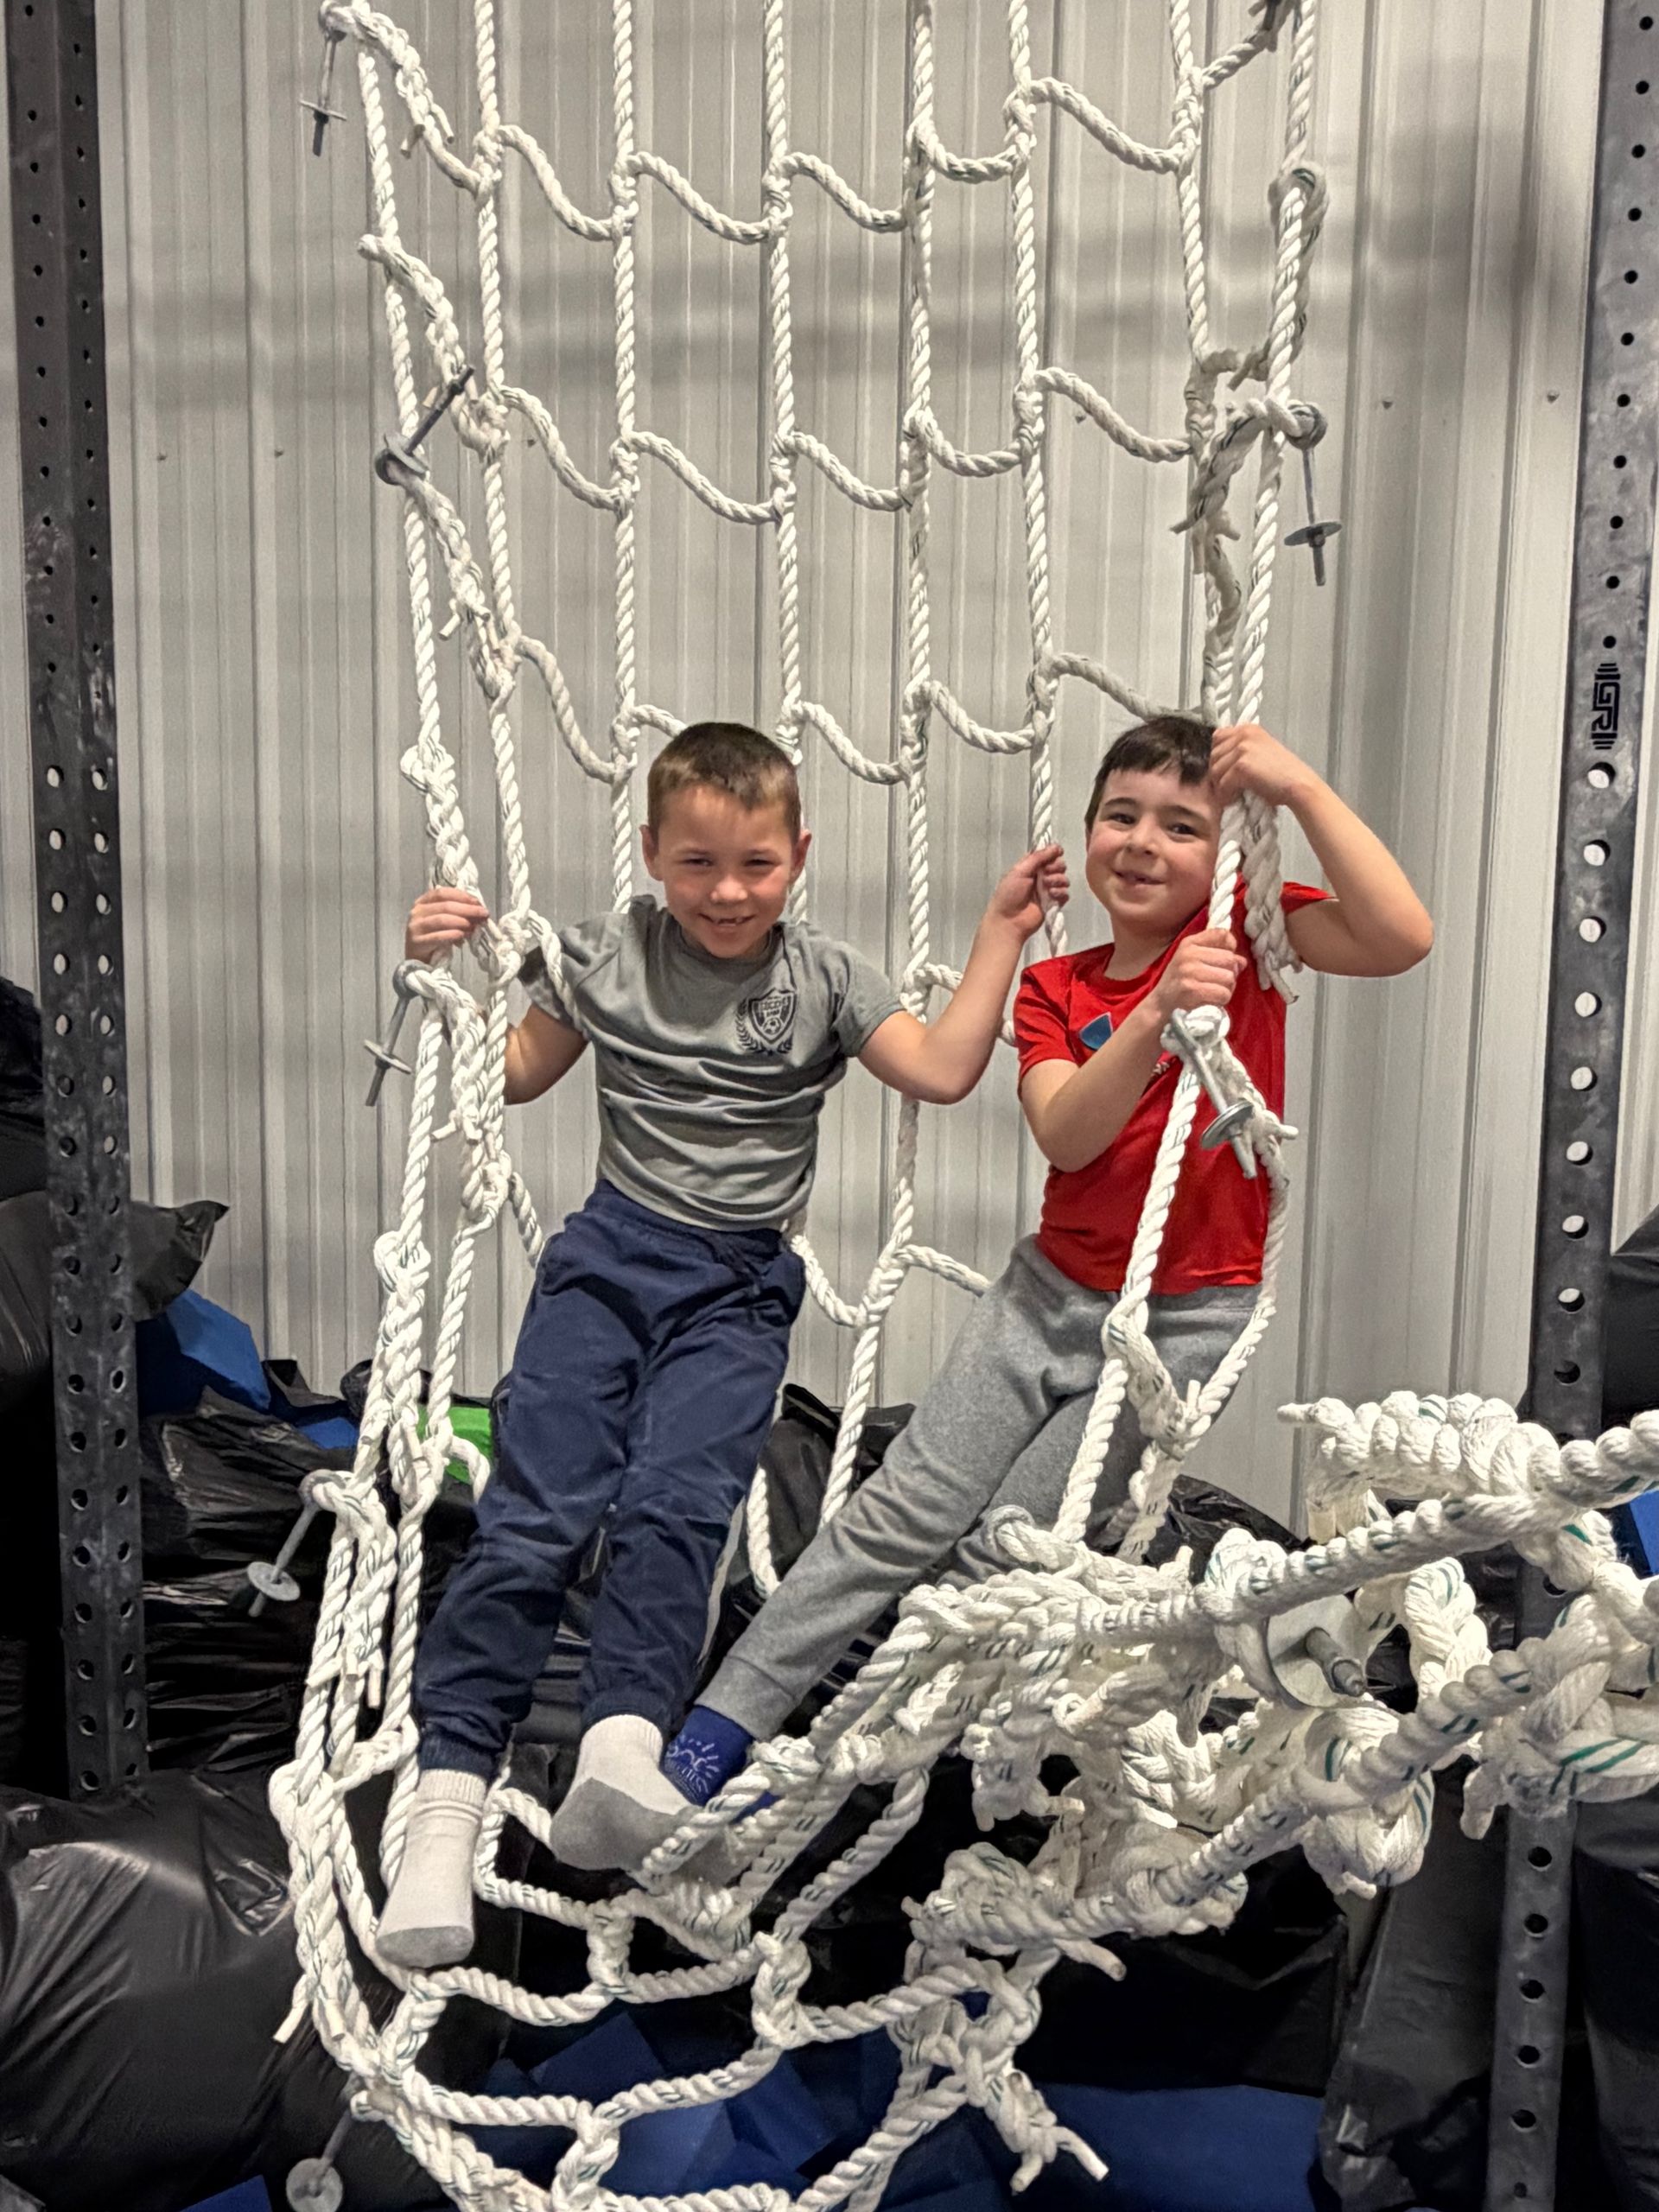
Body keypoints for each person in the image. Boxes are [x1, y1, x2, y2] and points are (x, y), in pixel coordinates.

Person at [626, 714, 1434, 1859]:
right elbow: (1066, 1132)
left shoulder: (1251, 942)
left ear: (1227, 858)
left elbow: (1402, 934)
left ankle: (833, 1769)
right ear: (1089, 832)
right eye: (1121, 816)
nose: (1144, 842)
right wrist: (1156, 1016)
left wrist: (1297, 787)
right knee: (896, 1514)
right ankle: (712, 1737)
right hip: (1043, 1298)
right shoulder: (1058, 985)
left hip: (1180, 1320)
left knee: (1009, 1542)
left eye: (1182, 826)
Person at [377, 720, 1068, 1967]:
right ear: (651, 854)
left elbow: (947, 1070)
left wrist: (1000, 938)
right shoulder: (611, 958)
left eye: (755, 864)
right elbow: (515, 1076)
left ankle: (621, 1747)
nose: (727, 893)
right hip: (605, 1262)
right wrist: (444, 978)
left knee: (675, 1511)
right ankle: (445, 1806)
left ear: (799, 856)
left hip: (738, 1290)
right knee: (538, 1516)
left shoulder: (826, 983)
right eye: (696, 864)